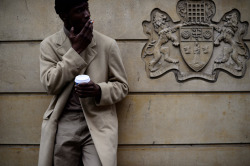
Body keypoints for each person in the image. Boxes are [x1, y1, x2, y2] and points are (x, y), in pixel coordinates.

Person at [38, 0, 129, 166]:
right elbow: (50, 84)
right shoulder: (49, 45)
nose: (87, 14)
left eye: (87, 8)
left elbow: (122, 87)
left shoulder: (107, 44)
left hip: (97, 123)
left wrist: (99, 90)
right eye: (79, 10)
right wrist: (76, 51)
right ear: (64, 15)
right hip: (64, 122)